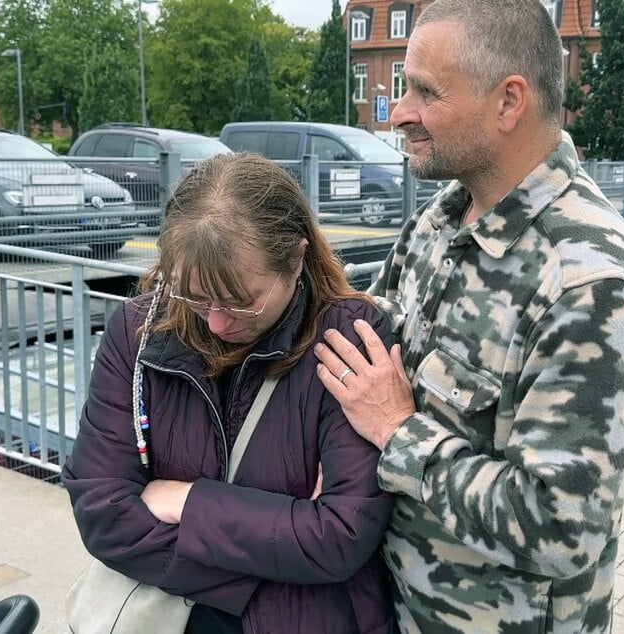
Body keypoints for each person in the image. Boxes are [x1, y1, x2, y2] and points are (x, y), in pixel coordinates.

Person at [312, 1, 624, 632]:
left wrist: (398, 431)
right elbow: (366, 339)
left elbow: (560, 530)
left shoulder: (586, 280)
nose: (399, 112)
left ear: (508, 101)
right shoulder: (442, 219)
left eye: (425, 91)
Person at [61, 153, 397, 634]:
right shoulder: (137, 331)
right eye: (195, 297)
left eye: (241, 302)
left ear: (297, 258)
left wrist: (186, 501)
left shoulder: (350, 341)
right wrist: (283, 544)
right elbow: (101, 512)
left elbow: (340, 536)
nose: (217, 322)